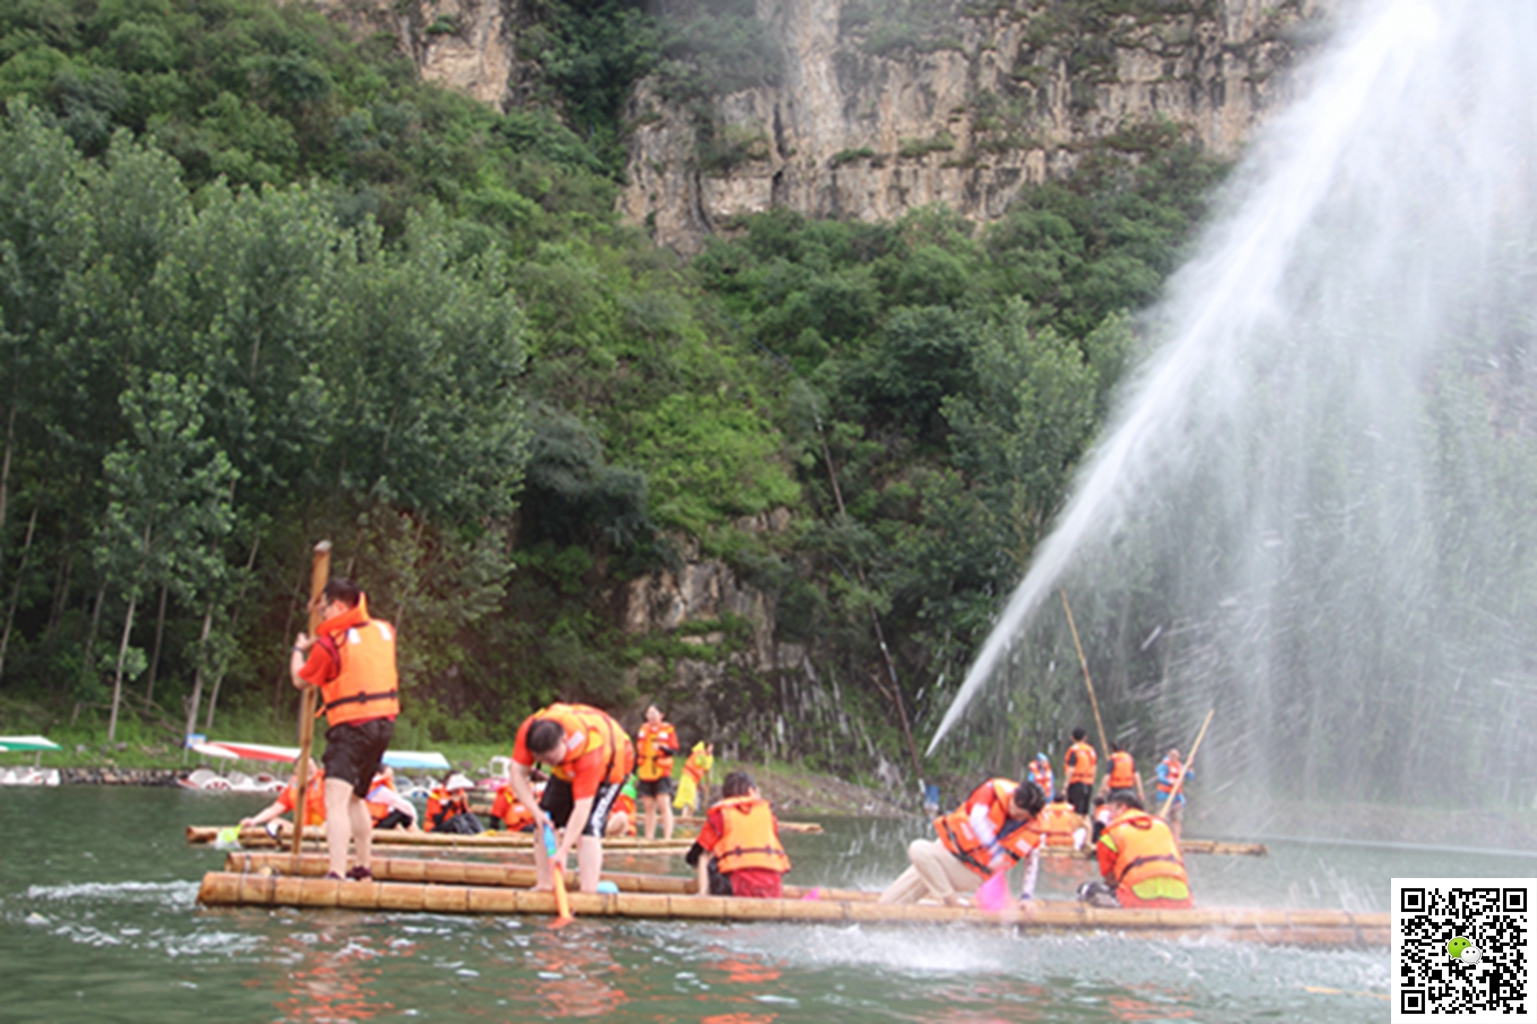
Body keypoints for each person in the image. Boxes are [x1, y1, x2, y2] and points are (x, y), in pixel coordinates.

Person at [290, 577, 400, 881]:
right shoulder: (384, 630)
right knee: (356, 799)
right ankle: (363, 867)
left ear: (338, 606)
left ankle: (336, 872)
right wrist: (321, 610)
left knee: (335, 801)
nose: (323, 615)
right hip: (383, 724)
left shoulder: (329, 644)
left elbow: (301, 680)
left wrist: (298, 650)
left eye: (325, 609)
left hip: (352, 725)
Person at [507, 702, 635, 893]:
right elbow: (517, 774)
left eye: (551, 759)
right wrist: (536, 812)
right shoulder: (529, 730)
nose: (547, 763)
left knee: (589, 827)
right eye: (543, 761)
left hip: (610, 768)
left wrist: (564, 850)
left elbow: (582, 807)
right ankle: (545, 884)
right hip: (566, 771)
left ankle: (588, 890)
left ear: (565, 741)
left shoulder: (590, 747)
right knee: (545, 820)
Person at [879, 778, 1047, 907]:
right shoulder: (993, 791)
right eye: (1012, 810)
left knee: (918, 849)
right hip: (946, 849)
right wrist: (995, 850)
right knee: (887, 904)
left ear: (1031, 816)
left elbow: (1032, 862)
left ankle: (952, 903)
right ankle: (879, 922)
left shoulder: (1034, 828)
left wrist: (1026, 897)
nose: (1014, 817)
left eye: (1020, 816)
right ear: (1013, 796)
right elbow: (976, 818)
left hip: (970, 870)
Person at [685, 770, 791, 898]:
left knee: (705, 856)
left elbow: (696, 854)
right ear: (751, 791)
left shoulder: (721, 815)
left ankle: (703, 894)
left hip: (738, 888)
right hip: (773, 889)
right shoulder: (769, 816)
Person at [1080, 790, 1192, 910]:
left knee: (1086, 889)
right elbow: (1180, 860)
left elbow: (1110, 879)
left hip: (1137, 900)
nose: (1109, 817)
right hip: (1181, 899)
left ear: (1122, 808)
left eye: (1111, 811)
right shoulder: (1164, 827)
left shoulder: (1111, 835)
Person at [635, 704, 681, 840]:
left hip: (662, 772)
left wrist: (661, 747)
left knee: (663, 805)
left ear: (661, 715)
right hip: (645, 771)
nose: (651, 717)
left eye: (654, 713)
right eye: (649, 714)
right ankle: (649, 836)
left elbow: (674, 749)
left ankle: (667, 837)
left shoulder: (668, 729)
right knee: (648, 806)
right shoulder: (643, 729)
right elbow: (638, 751)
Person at [242, 760, 326, 831]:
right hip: (303, 829)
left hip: (328, 827)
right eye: (303, 767)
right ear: (296, 770)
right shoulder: (292, 789)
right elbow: (274, 809)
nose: (307, 770)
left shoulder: (326, 780)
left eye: (310, 767)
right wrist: (253, 821)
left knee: (331, 823)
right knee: (272, 822)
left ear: (316, 767)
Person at [1155, 748, 1193, 841]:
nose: (1174, 757)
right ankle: (1161, 837)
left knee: (1177, 818)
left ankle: (1177, 838)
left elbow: (1190, 776)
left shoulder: (1181, 766)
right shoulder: (1164, 765)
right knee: (1163, 817)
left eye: (1175, 755)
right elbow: (1161, 777)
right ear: (1169, 755)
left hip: (1177, 797)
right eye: (1172, 755)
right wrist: (1170, 781)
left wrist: (1189, 765)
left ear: (1179, 756)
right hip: (1165, 796)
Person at [366, 766, 417, 830]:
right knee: (404, 815)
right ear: (378, 774)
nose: (392, 778)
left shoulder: (368, 786)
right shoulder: (380, 790)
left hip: (371, 822)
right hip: (374, 824)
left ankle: (406, 836)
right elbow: (405, 806)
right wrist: (414, 819)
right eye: (389, 775)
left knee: (395, 821)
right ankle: (417, 836)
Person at [673, 741, 715, 816]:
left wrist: (700, 786)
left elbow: (702, 771)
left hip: (694, 781)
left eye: (712, 748)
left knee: (695, 802)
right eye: (710, 747)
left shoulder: (706, 757)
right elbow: (699, 762)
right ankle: (684, 818)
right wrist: (708, 760)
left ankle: (688, 819)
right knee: (688, 799)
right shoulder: (700, 754)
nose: (711, 749)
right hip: (688, 778)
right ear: (706, 747)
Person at [1063, 728, 1098, 817]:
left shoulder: (1074, 750)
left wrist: (1066, 784)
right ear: (1084, 738)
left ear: (1072, 738)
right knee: (1084, 813)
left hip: (1076, 783)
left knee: (1074, 811)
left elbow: (1071, 768)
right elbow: (1094, 767)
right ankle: (1087, 830)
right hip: (1088, 783)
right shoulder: (1091, 750)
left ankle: (1076, 830)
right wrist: (1092, 780)